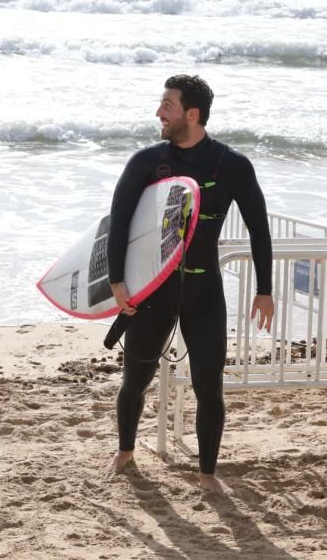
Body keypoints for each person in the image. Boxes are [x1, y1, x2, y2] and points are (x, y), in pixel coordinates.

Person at [105, 74, 274, 494]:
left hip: (204, 290)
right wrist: (117, 280)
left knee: (208, 385)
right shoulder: (146, 162)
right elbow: (119, 222)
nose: (159, 112)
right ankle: (126, 450)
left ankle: (207, 473)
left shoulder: (231, 165)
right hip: (152, 291)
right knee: (134, 379)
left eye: (168, 105)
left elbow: (259, 229)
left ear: (191, 114)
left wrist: (265, 289)